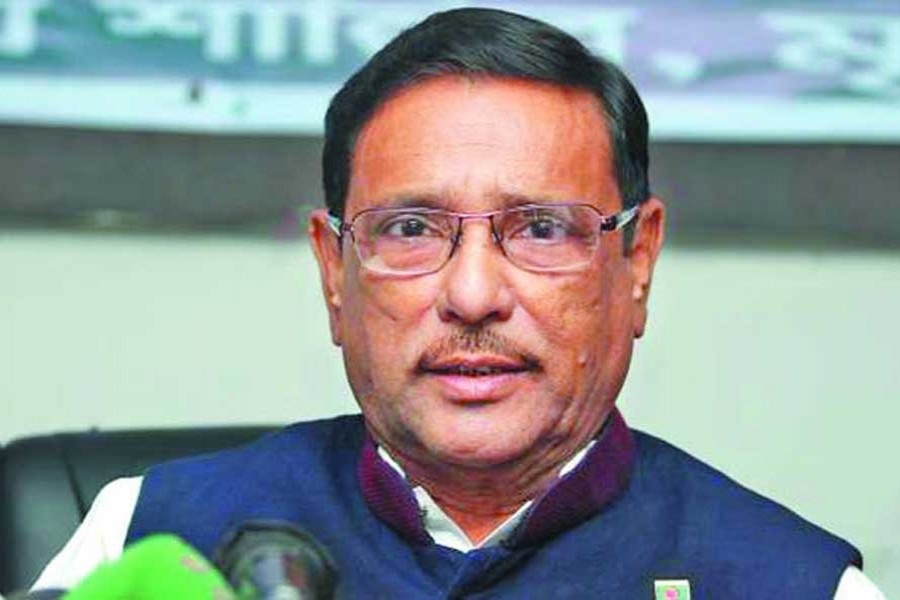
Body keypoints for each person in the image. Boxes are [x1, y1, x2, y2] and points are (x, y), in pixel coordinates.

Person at [33, 8, 884, 598]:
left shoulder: (792, 584)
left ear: (637, 262)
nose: (473, 295)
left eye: (542, 228)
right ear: (334, 272)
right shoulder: (144, 537)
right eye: (410, 228)